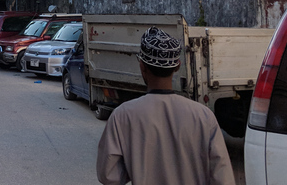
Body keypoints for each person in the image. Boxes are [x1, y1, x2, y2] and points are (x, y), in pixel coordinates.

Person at [96, 27, 235, 185]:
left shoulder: (122, 116)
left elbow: (108, 175)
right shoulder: (203, 116)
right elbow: (223, 177)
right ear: (177, 66)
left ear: (142, 66)